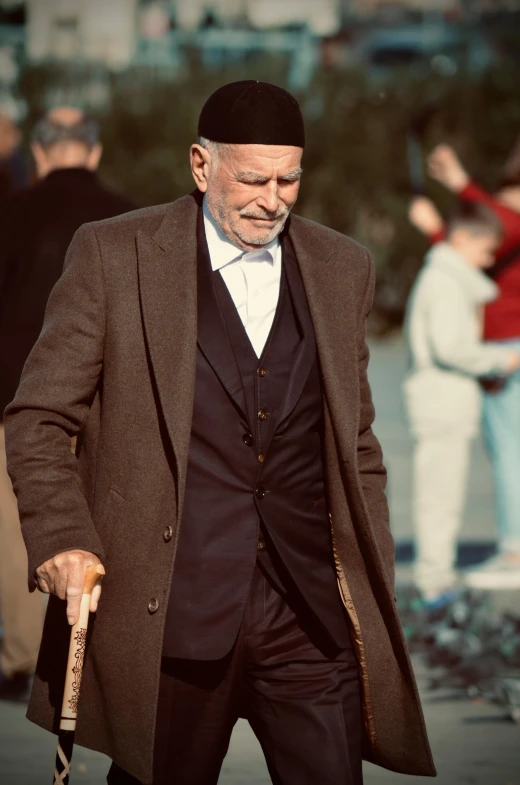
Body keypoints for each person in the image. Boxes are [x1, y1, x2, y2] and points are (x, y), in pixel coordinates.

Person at [4, 82, 435, 784]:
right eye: (254, 179)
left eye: (290, 178)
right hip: (172, 612)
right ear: (202, 167)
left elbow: (357, 441)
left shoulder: (341, 266)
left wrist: (370, 563)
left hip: (308, 615)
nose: (274, 198)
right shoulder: (116, 255)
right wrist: (61, 534)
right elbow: (40, 415)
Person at [0, 107, 135, 702]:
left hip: (15, 391)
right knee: (107, 507)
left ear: (40, 151)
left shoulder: (11, 212)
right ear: (96, 151)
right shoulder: (132, 218)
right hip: (108, 391)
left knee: (17, 521)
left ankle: (25, 659)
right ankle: (107, 651)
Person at [409, 140, 520, 589]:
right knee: (446, 487)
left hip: (502, 348)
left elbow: (499, 231)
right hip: (461, 386)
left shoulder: (486, 235)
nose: (493, 255)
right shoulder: (445, 276)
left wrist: (458, 187)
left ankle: (512, 550)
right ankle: (438, 575)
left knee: (508, 451)